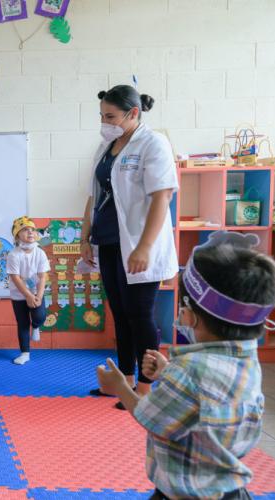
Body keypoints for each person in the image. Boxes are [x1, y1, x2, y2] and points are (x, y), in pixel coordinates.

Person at [97, 231, 275, 499]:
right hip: (231, 491)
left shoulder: (190, 370)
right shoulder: (247, 358)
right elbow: (210, 394)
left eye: (183, 306)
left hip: (183, 492)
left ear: (192, 316)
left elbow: (151, 417)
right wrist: (168, 371)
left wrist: (121, 387)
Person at [80, 85, 178, 408]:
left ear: (133, 113)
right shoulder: (106, 146)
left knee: (140, 314)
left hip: (137, 244)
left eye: (111, 116)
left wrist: (145, 247)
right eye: (102, 116)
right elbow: (94, 196)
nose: (105, 122)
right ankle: (122, 381)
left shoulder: (153, 144)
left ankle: (146, 389)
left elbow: (161, 196)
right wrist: (85, 237)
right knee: (120, 314)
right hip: (108, 241)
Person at [6, 216, 50, 365]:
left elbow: (43, 277)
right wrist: (27, 296)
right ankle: (25, 353)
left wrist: (38, 296)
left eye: (32, 229)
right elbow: (15, 278)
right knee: (23, 322)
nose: (30, 232)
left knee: (40, 316)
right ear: (17, 235)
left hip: (37, 291)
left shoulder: (40, 253)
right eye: (25, 230)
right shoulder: (13, 254)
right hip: (19, 294)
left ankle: (36, 326)